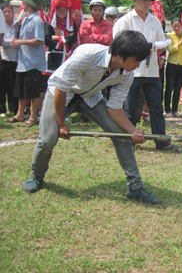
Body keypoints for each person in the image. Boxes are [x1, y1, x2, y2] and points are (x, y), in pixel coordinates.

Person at [22, 31, 162, 205]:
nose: (138, 65)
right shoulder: (87, 55)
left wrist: (133, 131)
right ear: (120, 55)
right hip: (61, 94)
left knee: (121, 135)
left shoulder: (126, 75)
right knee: (48, 139)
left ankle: (135, 187)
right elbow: (61, 88)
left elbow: (114, 107)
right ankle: (36, 176)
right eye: (136, 60)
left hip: (90, 98)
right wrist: (61, 124)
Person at [113, 0, 181, 152]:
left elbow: (162, 43)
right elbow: (117, 44)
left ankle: (162, 141)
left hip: (151, 72)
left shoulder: (155, 21)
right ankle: (129, 141)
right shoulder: (125, 21)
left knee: (156, 107)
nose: (145, 2)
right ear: (134, 0)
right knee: (131, 107)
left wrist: (161, 53)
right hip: (132, 71)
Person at [7, 0, 46, 127]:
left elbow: (40, 40)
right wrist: (17, 42)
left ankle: (33, 117)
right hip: (24, 62)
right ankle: (20, 114)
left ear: (28, 3)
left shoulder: (37, 20)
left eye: (23, 2)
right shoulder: (25, 20)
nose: (22, 4)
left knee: (33, 91)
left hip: (33, 62)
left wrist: (21, 42)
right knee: (22, 90)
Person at [164, 17, 182, 118]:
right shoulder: (170, 36)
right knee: (169, 87)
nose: (176, 28)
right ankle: (167, 110)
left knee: (177, 88)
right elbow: (170, 49)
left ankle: (175, 110)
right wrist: (180, 42)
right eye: (174, 26)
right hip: (172, 64)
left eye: (178, 26)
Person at [0, 3, 19, 116]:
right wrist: (14, 42)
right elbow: (2, 42)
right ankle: (2, 109)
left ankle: (14, 108)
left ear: (12, 13)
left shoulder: (17, 26)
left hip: (16, 60)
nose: (7, 14)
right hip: (4, 59)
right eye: (4, 12)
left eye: (9, 11)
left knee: (14, 86)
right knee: (2, 86)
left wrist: (15, 42)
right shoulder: (2, 26)